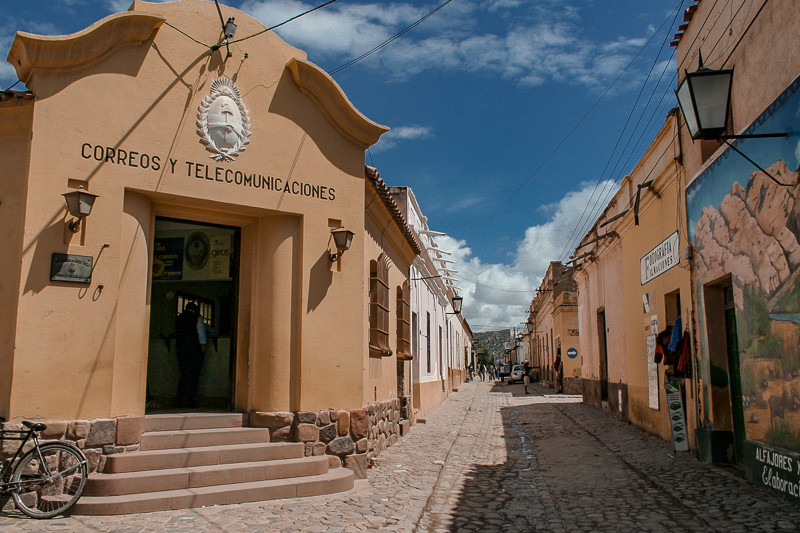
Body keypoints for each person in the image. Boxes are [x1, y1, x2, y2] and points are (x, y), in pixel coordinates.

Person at [175, 302, 207, 408]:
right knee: (193, 376)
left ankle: (180, 400)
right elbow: (201, 335)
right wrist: (203, 350)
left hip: (181, 349)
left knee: (184, 375)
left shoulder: (179, 318)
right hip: (194, 350)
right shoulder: (197, 318)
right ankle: (189, 400)